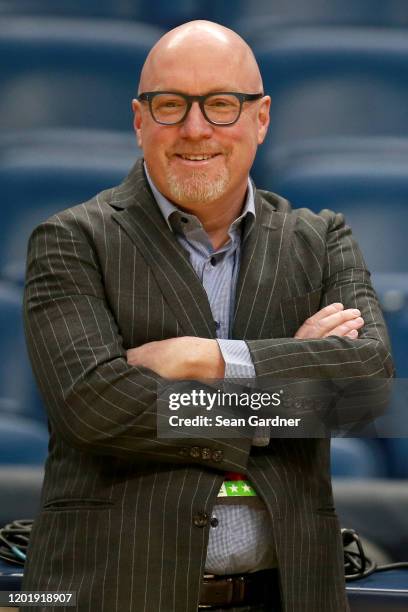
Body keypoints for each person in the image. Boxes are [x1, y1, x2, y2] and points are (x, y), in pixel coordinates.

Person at [22, 20, 393, 612]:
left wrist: (206, 359)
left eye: (221, 104)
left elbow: (369, 394)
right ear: (140, 119)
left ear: (261, 117)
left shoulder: (322, 238)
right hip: (115, 592)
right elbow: (93, 408)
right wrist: (291, 388)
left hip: (290, 594)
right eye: (171, 105)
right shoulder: (71, 240)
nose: (195, 129)